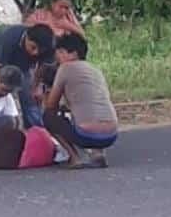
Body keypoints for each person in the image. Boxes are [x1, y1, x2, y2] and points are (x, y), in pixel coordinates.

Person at [43, 34, 117, 168]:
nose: (57, 57)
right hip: (111, 134)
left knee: (48, 117)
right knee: (89, 114)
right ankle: (98, 154)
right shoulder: (95, 70)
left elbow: (51, 105)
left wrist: (44, 96)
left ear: (73, 54)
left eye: (60, 52)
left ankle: (74, 157)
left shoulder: (65, 68)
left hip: (87, 135)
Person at [0, 24, 55, 129]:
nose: (36, 53)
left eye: (40, 50)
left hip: (22, 62)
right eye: (33, 47)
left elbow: (42, 67)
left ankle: (35, 129)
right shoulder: (7, 40)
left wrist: (36, 86)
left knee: (28, 96)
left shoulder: (49, 47)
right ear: (26, 37)